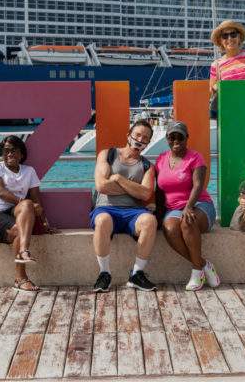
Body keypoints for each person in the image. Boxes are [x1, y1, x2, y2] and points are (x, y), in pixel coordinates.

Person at [0, 135, 50, 291]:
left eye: (13, 150)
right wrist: (26, 204)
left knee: (28, 204)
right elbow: (1, 192)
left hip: (11, 213)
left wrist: (44, 222)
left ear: (21, 154)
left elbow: (36, 201)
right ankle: (21, 278)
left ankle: (23, 251)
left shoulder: (29, 171)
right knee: (19, 224)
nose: (9, 154)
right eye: (6, 151)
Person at [91, 120, 159, 293]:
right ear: (128, 135)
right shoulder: (108, 154)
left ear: (148, 143)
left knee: (150, 221)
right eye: (137, 135)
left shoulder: (147, 166)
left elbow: (145, 194)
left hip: (134, 213)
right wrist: (132, 188)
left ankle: (136, 274)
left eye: (145, 138)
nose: (140, 140)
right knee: (102, 221)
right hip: (106, 208)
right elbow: (101, 186)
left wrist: (118, 179)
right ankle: (104, 273)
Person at [156, 121, 220, 291]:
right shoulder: (161, 159)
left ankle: (197, 272)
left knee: (187, 221)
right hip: (173, 209)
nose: (176, 140)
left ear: (187, 138)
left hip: (199, 204)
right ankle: (204, 263)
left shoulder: (195, 157)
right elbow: (158, 189)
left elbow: (198, 185)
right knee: (169, 228)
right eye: (172, 136)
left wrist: (189, 206)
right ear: (167, 138)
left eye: (180, 137)